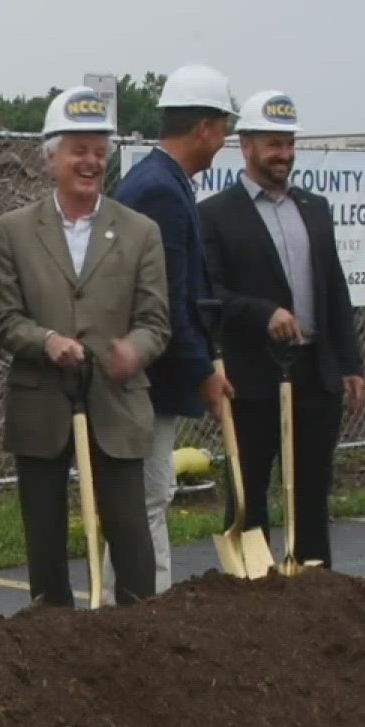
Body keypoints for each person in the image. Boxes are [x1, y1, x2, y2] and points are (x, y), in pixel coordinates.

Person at [0, 86, 171, 608]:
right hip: (41, 402)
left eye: (98, 152)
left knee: (130, 530)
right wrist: (46, 341)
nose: (90, 162)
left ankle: (136, 629)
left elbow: (155, 320)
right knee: (44, 535)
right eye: (78, 150)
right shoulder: (13, 232)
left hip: (116, 401)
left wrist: (133, 348)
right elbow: (1, 317)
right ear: (51, 158)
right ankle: (51, 628)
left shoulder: (140, 233)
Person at [200, 89, 365, 570]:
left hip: (315, 373)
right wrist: (262, 312)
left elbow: (334, 288)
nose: (285, 155)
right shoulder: (215, 214)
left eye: (290, 144)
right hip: (251, 377)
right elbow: (211, 294)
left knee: (312, 486)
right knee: (249, 487)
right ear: (246, 145)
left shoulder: (314, 207)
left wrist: (350, 363)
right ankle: (253, 586)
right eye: (274, 144)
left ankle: (315, 581)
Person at [108, 63, 236, 595]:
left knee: (150, 500)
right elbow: (168, 302)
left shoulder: (159, 181)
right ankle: (143, 613)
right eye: (225, 128)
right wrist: (204, 375)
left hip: (149, 376)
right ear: (204, 128)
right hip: (148, 382)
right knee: (148, 501)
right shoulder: (160, 190)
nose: (225, 139)